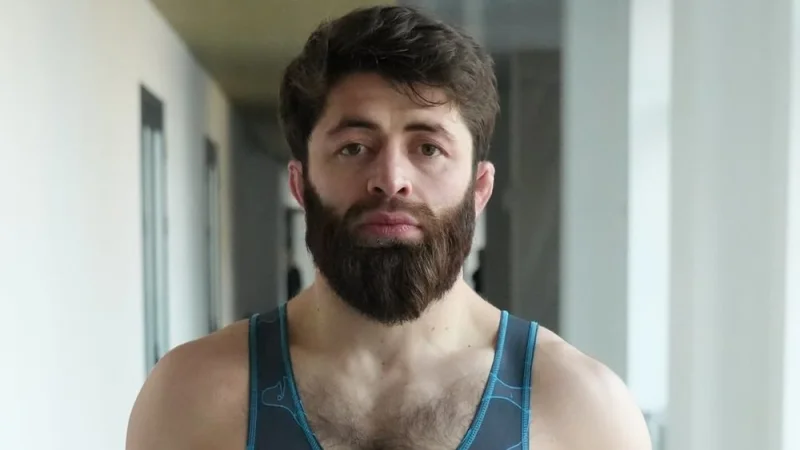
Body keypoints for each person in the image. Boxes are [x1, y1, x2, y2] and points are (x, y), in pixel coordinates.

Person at [126, 6, 652, 450]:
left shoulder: (579, 410)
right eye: (354, 147)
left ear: (480, 188)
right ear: (301, 183)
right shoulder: (197, 396)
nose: (391, 179)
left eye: (429, 148)